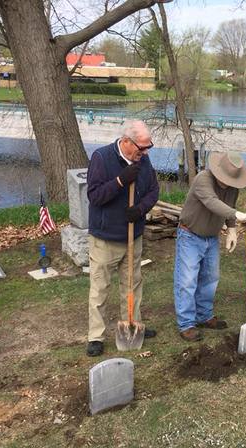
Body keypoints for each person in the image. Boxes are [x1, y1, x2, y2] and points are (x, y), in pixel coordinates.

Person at [85, 120, 159, 357]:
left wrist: (140, 209)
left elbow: (154, 190)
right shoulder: (101, 158)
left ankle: (132, 323)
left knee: (132, 284)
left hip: (132, 236)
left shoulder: (143, 160)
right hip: (106, 238)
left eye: (148, 148)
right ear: (126, 141)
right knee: (100, 288)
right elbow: (95, 196)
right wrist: (120, 181)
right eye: (142, 148)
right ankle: (95, 336)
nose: (145, 153)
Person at [174, 152, 246, 342]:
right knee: (187, 280)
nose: (228, 183)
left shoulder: (233, 187)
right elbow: (212, 202)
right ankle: (186, 324)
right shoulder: (202, 179)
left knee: (210, 278)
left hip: (211, 237)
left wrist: (231, 229)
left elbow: (229, 206)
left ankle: (204, 316)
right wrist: (240, 215)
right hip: (190, 234)